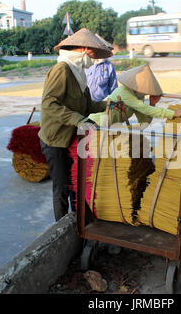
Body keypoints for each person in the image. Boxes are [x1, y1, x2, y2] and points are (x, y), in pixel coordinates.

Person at [39, 28, 112, 221]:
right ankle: (61, 228)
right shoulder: (62, 69)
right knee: (62, 188)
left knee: (75, 184)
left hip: (72, 138)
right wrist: (78, 120)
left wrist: (109, 105)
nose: (95, 58)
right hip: (55, 140)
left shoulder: (79, 73)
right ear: (85, 49)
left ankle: (78, 223)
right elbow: (49, 104)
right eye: (94, 53)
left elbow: (88, 105)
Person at [88, 64, 181, 126]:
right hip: (96, 123)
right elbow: (145, 109)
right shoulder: (124, 92)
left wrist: (152, 104)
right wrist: (174, 113)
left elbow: (144, 122)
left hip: (107, 127)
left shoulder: (137, 98)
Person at [84, 33, 118, 102]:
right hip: (86, 104)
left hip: (102, 104)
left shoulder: (109, 66)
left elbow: (113, 89)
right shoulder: (85, 64)